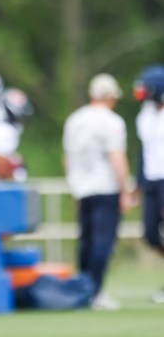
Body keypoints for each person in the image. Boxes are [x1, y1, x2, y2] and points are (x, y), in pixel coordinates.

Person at [62, 73, 132, 311]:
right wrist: (125, 190)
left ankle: (83, 288)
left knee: (87, 240)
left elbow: (67, 158)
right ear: (111, 96)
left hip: (82, 188)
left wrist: (74, 187)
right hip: (106, 187)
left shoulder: (75, 119)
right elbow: (117, 158)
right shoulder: (112, 122)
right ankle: (95, 291)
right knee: (103, 241)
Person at [132, 65, 164, 303]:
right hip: (152, 180)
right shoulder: (144, 114)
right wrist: (138, 183)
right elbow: (144, 152)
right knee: (150, 233)